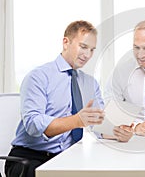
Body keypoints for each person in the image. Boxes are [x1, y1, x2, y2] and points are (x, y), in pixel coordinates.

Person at [5, 20, 105, 177]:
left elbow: (99, 126)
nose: (87, 55)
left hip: (67, 158)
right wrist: (76, 121)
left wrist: (119, 131)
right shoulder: (38, 77)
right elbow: (33, 124)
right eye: (83, 47)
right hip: (31, 158)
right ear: (66, 42)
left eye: (92, 50)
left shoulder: (90, 83)